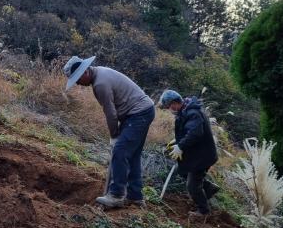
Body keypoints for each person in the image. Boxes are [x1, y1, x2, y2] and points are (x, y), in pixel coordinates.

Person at [64, 56, 155, 208]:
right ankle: (135, 196)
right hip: (141, 112)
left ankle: (116, 195)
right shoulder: (99, 73)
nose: (78, 84)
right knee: (132, 155)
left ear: (85, 72)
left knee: (120, 151)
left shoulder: (100, 83)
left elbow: (110, 113)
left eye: (78, 80)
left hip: (138, 114)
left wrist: (114, 135)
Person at [158, 90, 219, 216]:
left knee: (192, 185)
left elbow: (195, 133)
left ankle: (204, 211)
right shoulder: (186, 109)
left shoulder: (192, 112)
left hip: (202, 155)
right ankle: (209, 188)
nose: (169, 111)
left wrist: (180, 146)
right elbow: (189, 130)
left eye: (169, 107)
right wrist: (178, 140)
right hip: (197, 152)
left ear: (174, 103)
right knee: (181, 168)